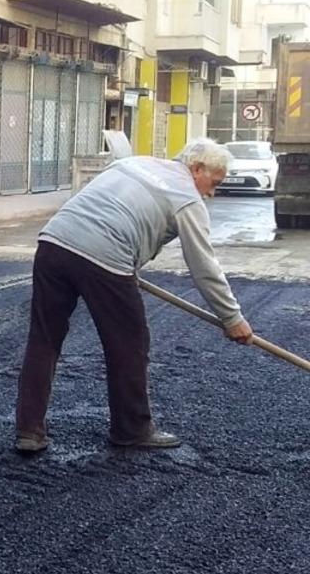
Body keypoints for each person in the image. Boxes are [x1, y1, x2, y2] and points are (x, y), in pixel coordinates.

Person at [15, 138, 254, 453]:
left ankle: (29, 432)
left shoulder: (134, 163)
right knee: (129, 344)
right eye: (214, 183)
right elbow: (204, 266)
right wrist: (232, 317)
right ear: (197, 169)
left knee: (44, 339)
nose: (211, 193)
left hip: (53, 243)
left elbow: (109, 209)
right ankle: (132, 429)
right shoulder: (186, 198)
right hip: (105, 259)